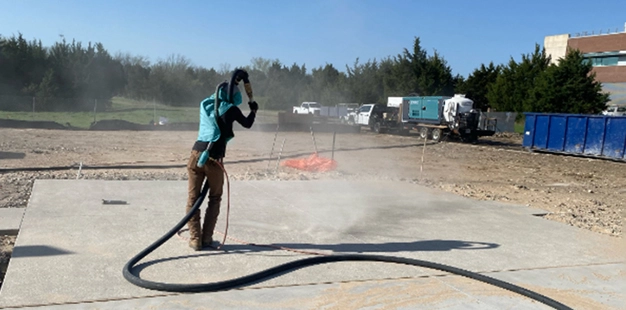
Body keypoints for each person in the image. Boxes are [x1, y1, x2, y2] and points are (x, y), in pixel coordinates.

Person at [185, 70, 258, 251]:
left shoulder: (205, 104)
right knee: (214, 198)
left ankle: (195, 239)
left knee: (193, 199)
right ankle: (207, 238)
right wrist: (253, 110)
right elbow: (247, 123)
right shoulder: (231, 109)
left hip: (195, 155)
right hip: (214, 160)